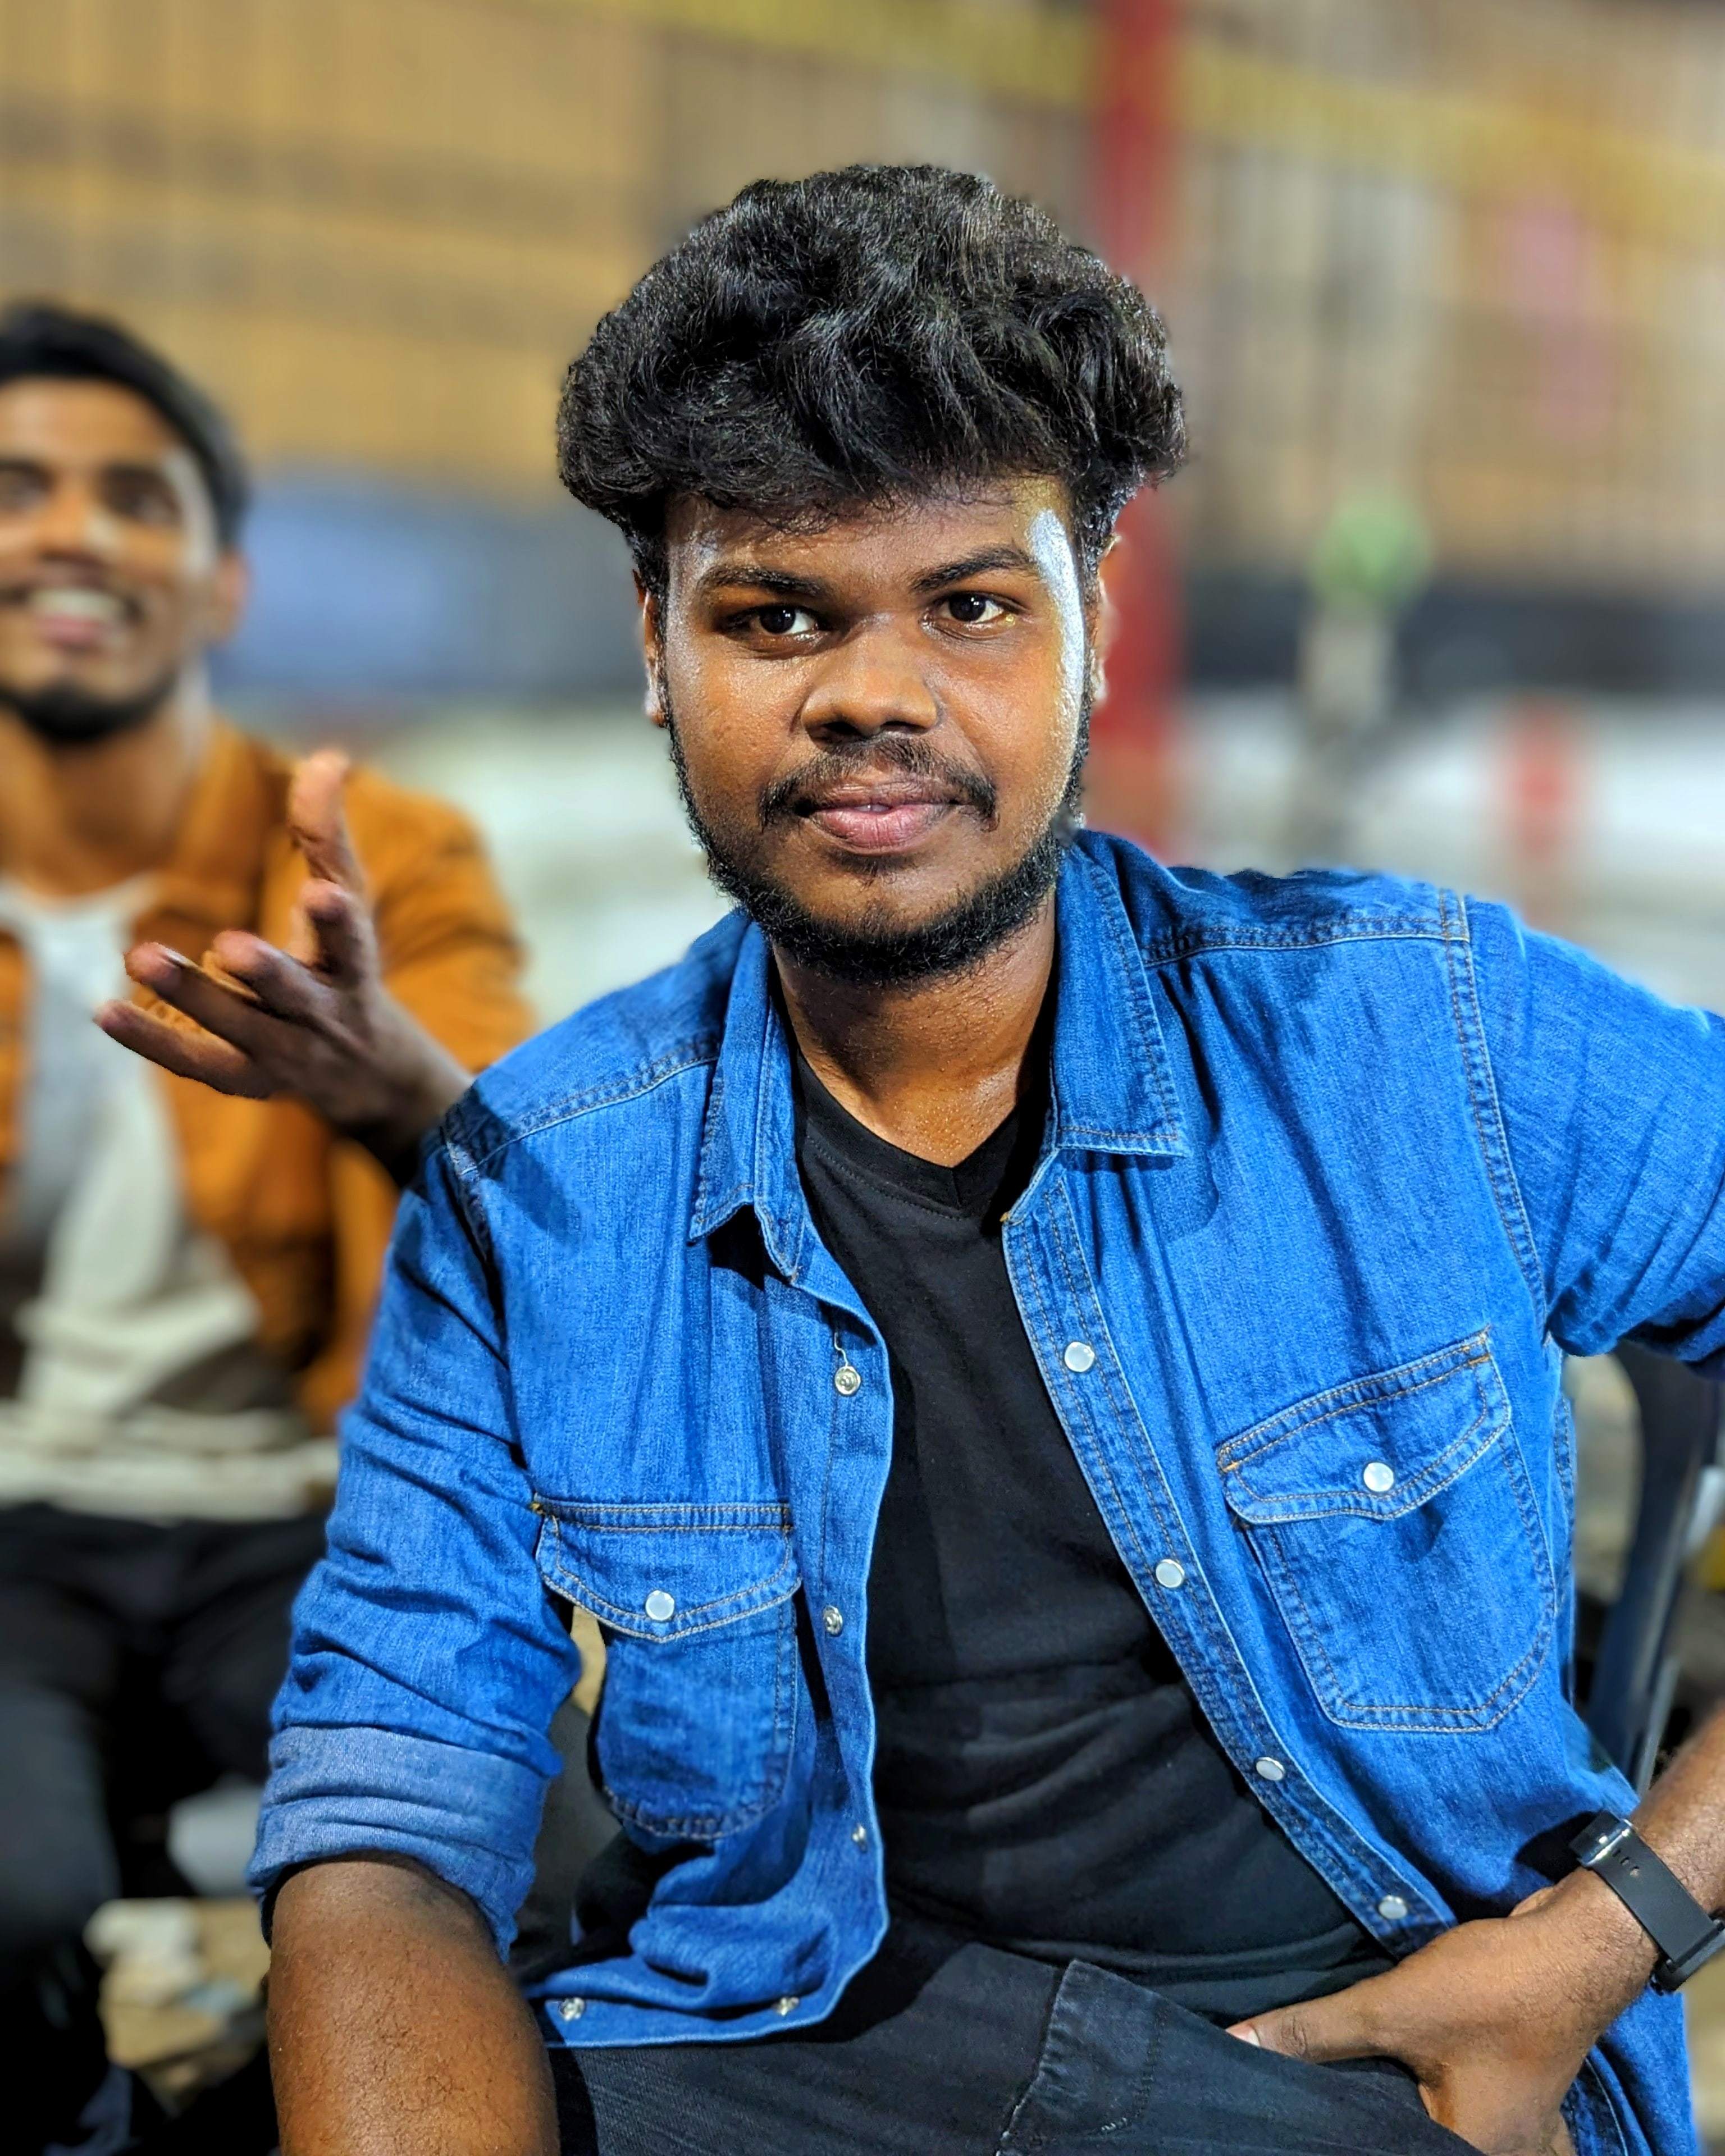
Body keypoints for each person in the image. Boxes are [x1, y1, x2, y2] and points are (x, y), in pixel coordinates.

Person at [255, 167, 1724, 2156]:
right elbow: (387, 1820)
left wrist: (1611, 1938)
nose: (874, 695)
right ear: (656, 643)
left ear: (1093, 624)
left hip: (1369, 2082)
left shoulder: (1420, 1034)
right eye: (776, 615)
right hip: (786, 2055)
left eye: (970, 606)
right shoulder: (539, 1187)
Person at [0, 303, 531, 2154]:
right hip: (16, 1531)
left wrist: (393, 1085)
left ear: (222, 583)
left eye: (134, 498)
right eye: (16, 489)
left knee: (545, 1856)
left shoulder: (379, 859)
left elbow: (533, 1199)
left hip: (308, 1516)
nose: (71, 533)